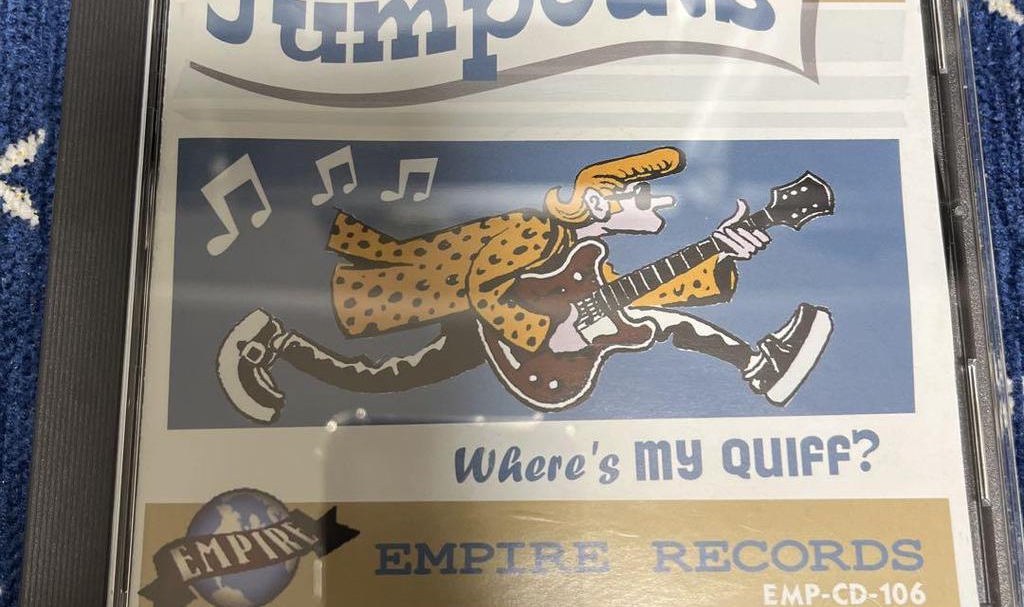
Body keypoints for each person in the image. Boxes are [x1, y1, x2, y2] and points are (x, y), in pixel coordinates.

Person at [217, 147, 831, 422]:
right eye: (644, 196)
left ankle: (759, 365)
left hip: (517, 344)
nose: (659, 203)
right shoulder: (534, 231)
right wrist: (547, 332)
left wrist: (723, 251)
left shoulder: (587, 257)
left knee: (656, 319)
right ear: (603, 201)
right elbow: (485, 293)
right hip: (494, 325)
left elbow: (637, 295)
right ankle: (272, 338)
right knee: (381, 378)